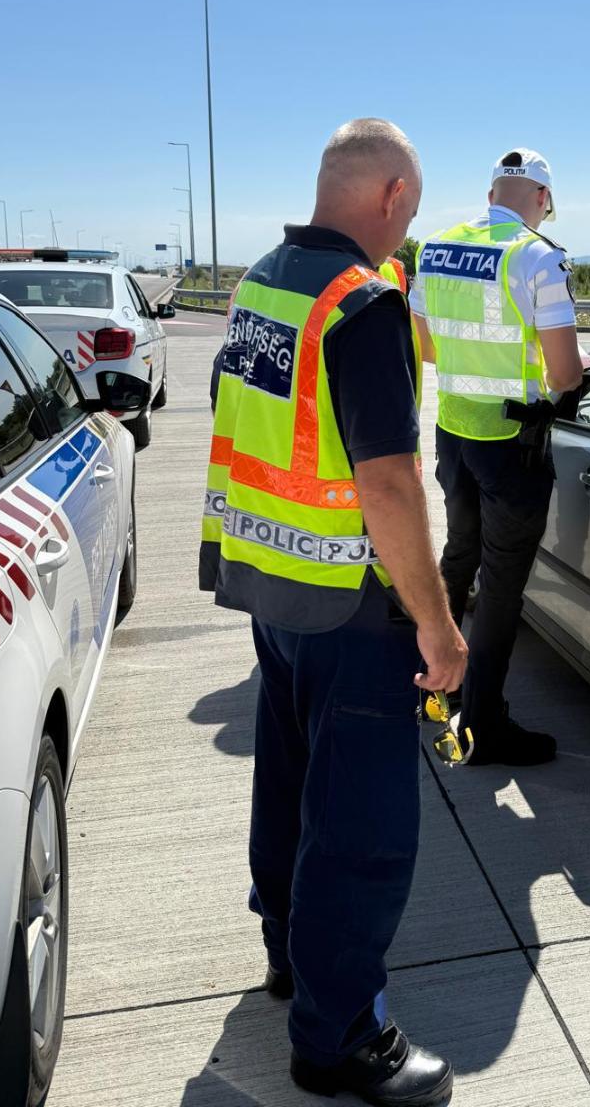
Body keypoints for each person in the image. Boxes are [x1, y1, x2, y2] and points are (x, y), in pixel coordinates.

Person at [200, 118, 467, 1107]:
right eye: (412, 209)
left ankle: (289, 952)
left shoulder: (262, 283)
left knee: (289, 785)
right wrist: (436, 624)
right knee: (360, 830)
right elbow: (389, 484)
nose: (407, 228)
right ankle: (338, 1036)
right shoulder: (363, 303)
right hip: (352, 608)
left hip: (274, 590)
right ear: (392, 194)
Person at [410, 149, 586, 767]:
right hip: (512, 444)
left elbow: (427, 348)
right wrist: (565, 366)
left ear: (490, 195)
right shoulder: (538, 257)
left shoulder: (435, 248)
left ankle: (434, 690)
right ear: (543, 199)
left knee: (458, 556)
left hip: (454, 433)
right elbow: (564, 375)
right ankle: (483, 728)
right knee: (502, 588)